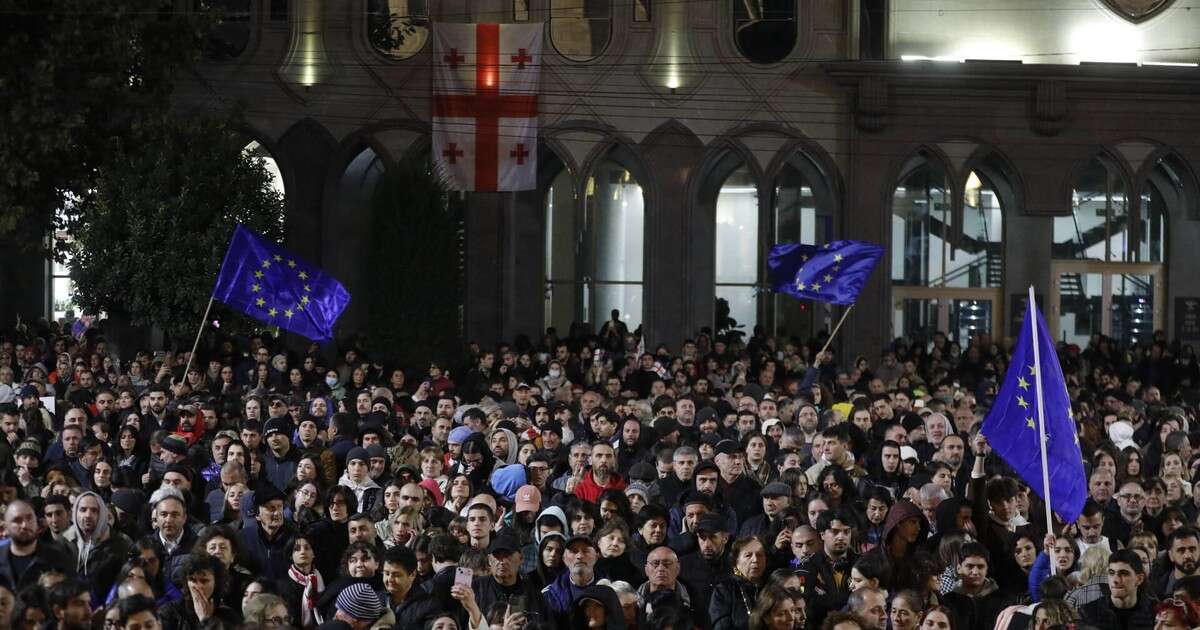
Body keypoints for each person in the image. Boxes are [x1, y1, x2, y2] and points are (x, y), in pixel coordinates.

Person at [1078, 549, 1155, 629]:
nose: (1115, 580)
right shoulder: (1089, 612)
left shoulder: (1155, 611)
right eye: (1111, 573)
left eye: (1124, 574)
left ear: (1139, 579)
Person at [709, 537, 766, 630]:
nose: (755, 560)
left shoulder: (771, 587)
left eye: (760, 555)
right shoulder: (724, 590)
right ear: (736, 561)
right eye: (748, 555)